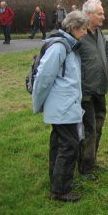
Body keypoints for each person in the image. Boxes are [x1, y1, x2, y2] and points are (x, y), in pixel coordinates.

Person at [32, 11, 88, 202]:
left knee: (59, 145)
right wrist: (38, 104)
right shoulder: (60, 47)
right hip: (62, 108)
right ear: (72, 28)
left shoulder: (69, 46)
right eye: (83, 28)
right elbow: (44, 78)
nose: (86, 32)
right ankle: (60, 190)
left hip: (66, 106)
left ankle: (60, 182)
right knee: (69, 146)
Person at [78, 0, 108, 180]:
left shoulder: (100, 33)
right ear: (89, 14)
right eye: (100, 14)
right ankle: (85, 167)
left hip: (101, 89)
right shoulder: (79, 34)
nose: (103, 17)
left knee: (98, 127)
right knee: (89, 129)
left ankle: (92, 161)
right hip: (86, 93)